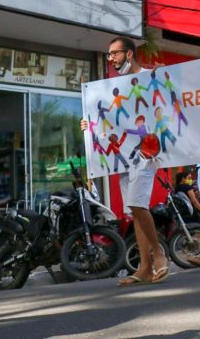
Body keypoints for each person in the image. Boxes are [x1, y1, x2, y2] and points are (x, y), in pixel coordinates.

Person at [80, 36, 170, 285]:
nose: (111, 59)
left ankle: (159, 254)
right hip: (121, 159)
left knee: (138, 205)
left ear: (129, 54)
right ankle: (143, 267)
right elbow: (110, 121)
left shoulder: (152, 76)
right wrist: (89, 124)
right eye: (109, 55)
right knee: (134, 212)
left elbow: (167, 105)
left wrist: (164, 77)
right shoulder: (110, 88)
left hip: (146, 154)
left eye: (114, 54)